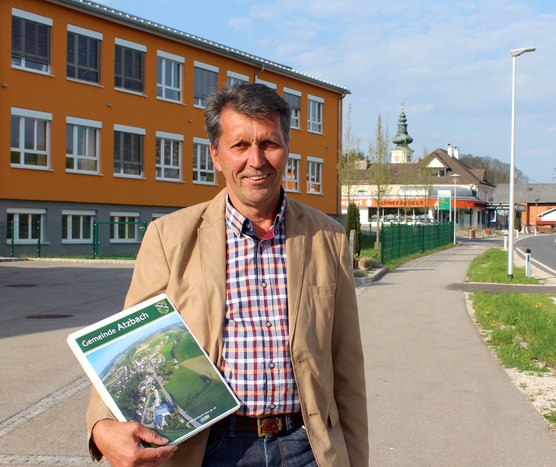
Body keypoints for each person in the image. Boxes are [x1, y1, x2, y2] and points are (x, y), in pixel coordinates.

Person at [86, 84, 368, 466]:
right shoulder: (169, 237)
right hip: (212, 448)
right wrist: (101, 427)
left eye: (269, 143)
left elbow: (347, 368)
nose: (256, 160)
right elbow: (130, 342)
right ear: (216, 156)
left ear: (286, 150)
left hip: (308, 446)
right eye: (240, 146)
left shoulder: (327, 238)